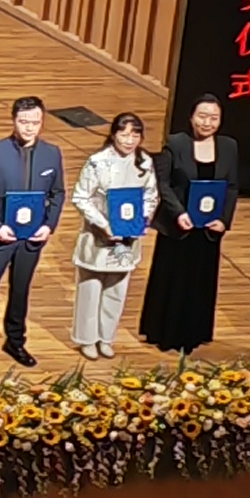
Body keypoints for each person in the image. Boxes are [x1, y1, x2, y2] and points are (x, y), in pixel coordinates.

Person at [0, 96, 64, 367]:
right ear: (13, 121)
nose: (29, 128)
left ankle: (15, 341)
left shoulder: (52, 153)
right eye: (24, 122)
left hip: (32, 238)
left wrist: (48, 225)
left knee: (20, 290)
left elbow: (57, 193)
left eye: (35, 122)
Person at [140, 96, 238, 355]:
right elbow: (164, 184)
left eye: (213, 118)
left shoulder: (228, 147)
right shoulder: (175, 143)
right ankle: (166, 333)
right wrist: (179, 213)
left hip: (208, 228)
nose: (207, 122)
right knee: (173, 278)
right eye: (202, 116)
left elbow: (232, 187)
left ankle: (195, 333)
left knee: (201, 280)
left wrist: (224, 220)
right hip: (180, 226)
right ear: (192, 117)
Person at [66, 112, 153, 361]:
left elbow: (150, 195)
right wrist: (104, 224)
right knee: (90, 289)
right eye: (124, 134)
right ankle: (86, 339)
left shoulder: (144, 162)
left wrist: (141, 220)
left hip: (127, 238)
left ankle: (106, 338)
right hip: (99, 237)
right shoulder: (97, 161)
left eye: (134, 135)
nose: (129, 140)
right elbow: (81, 197)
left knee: (116, 289)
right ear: (113, 134)